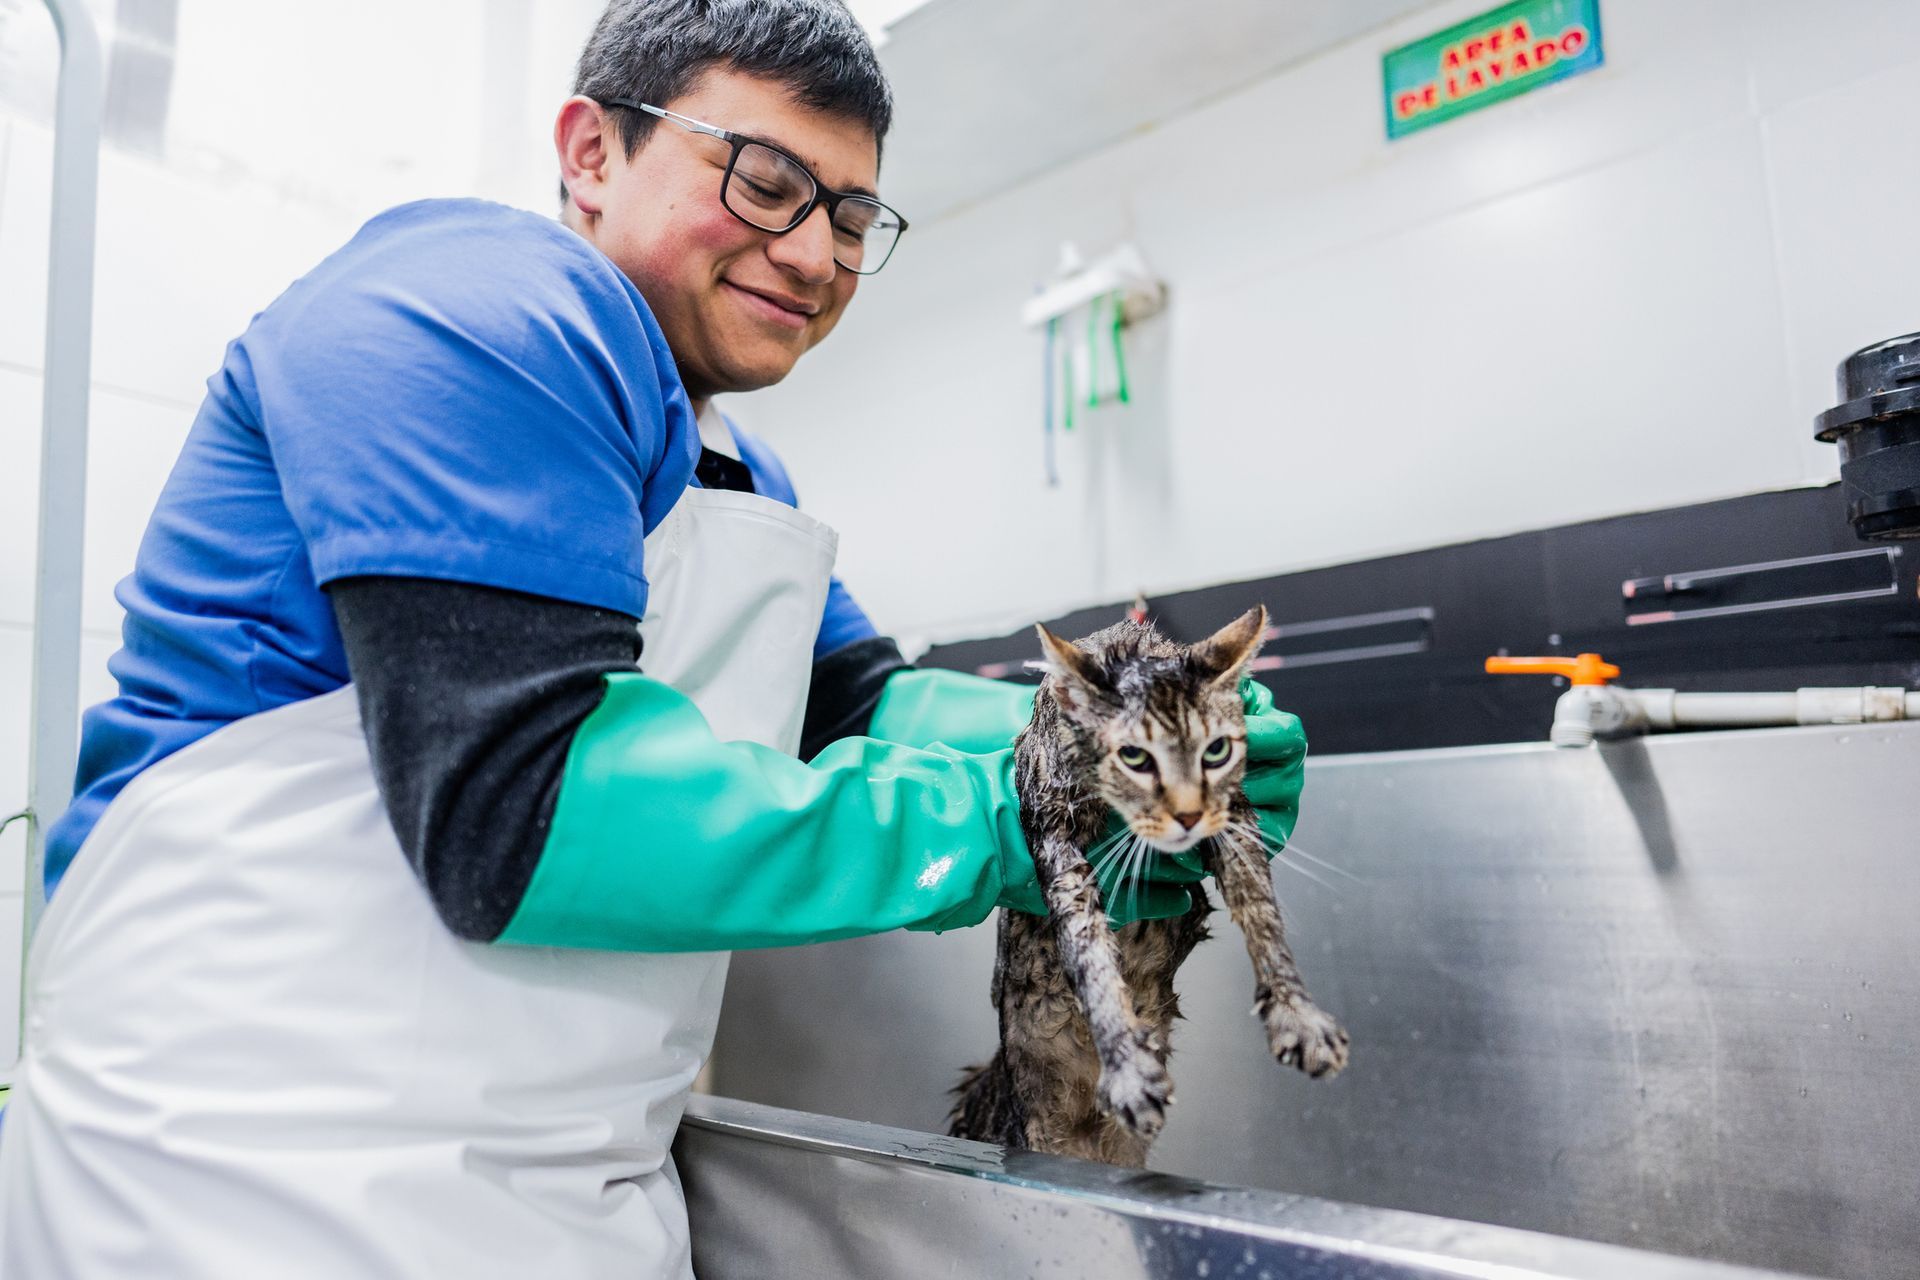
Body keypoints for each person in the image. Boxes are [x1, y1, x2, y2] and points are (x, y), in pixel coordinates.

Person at [0, 1, 1307, 1275]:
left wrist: (1149, 737)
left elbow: (863, 703)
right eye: (763, 179)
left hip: (575, 1189)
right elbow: (519, 811)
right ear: (590, 150)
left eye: (852, 216)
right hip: (249, 1178)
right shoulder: (465, 311)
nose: (813, 254)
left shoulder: (736, 472)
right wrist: (1011, 819)